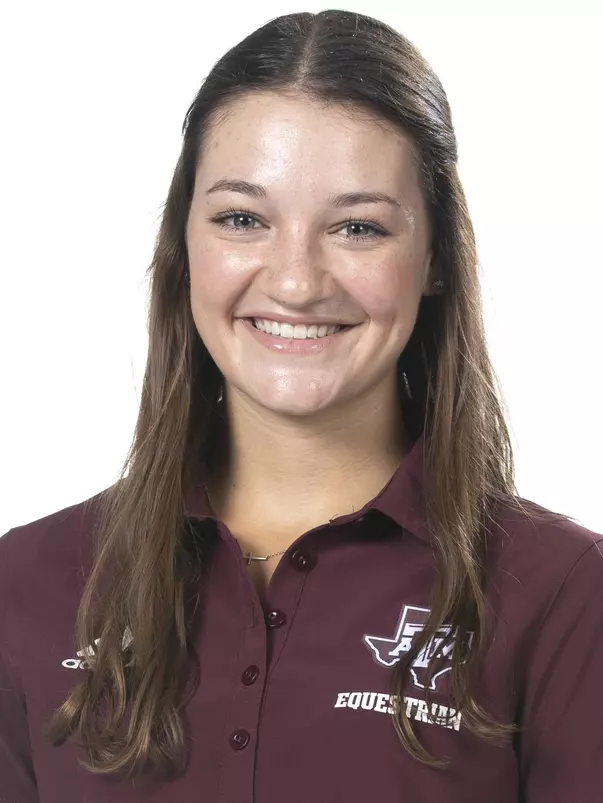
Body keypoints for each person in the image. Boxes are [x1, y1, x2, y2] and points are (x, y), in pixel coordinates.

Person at [1, 9, 601, 803]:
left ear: (434, 258)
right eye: (242, 219)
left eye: (357, 227)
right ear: (183, 247)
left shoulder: (562, 595)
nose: (294, 281)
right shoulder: (29, 582)